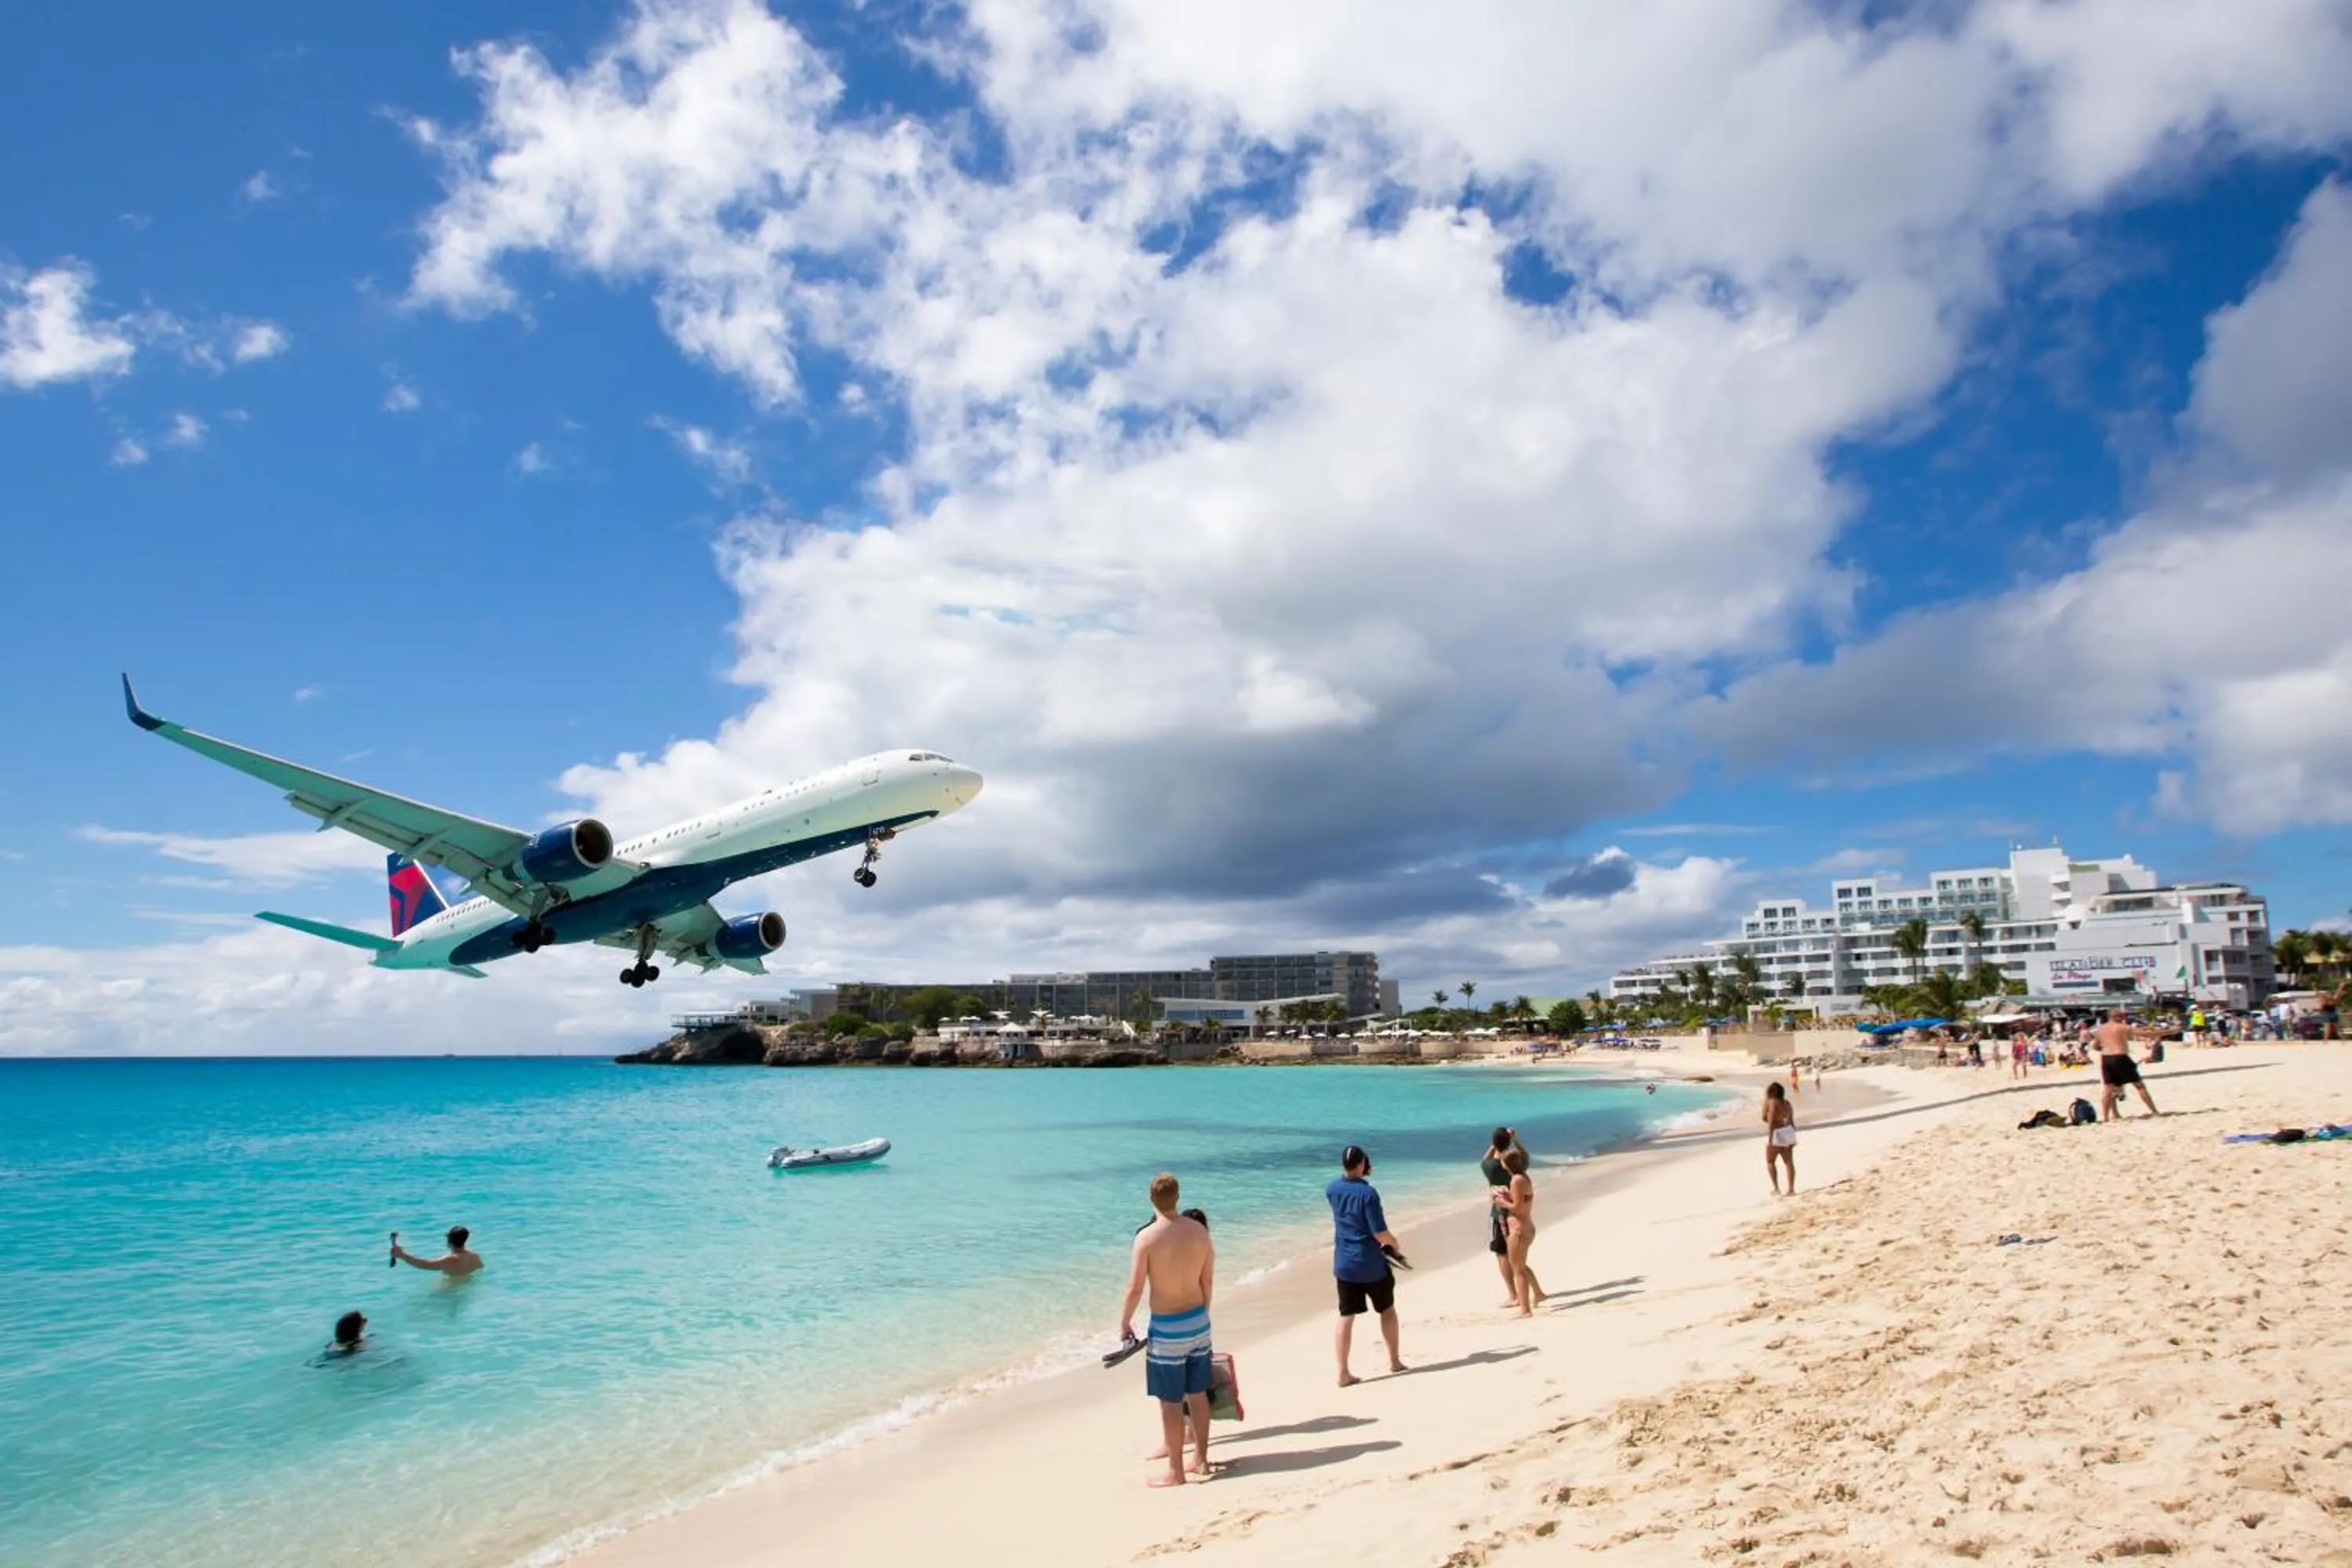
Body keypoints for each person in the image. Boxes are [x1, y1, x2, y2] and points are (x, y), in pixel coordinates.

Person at [1118, 1174, 1215, 1487]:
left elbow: (1134, 1288)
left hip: (1168, 1329)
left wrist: (1125, 1322)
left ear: (1151, 1199)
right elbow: (1207, 1279)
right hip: (1199, 1321)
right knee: (1198, 1393)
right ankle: (1201, 1459)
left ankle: (1176, 1470)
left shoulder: (1146, 1238)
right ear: (1178, 1197)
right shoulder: (1199, 1230)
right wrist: (1204, 1312)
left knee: (1171, 1401)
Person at [1327, 1145, 1405, 1386]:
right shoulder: (1368, 1194)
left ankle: (1342, 1372)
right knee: (1387, 1309)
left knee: (1346, 1316)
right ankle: (1394, 1361)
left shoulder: (1332, 1189)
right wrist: (1395, 1243)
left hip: (1344, 1263)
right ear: (1362, 1164)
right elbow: (1380, 1233)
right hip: (1370, 1263)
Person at [1479, 1128, 1545, 1306]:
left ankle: (1514, 1295)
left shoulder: (1492, 1167)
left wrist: (1495, 1145)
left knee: (1503, 1255)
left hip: (1501, 1214)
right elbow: (1525, 1154)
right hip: (1522, 1217)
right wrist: (1515, 1140)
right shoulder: (1520, 1166)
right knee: (1519, 1260)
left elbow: (1484, 1160)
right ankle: (1537, 1292)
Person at [1495, 1148, 1539, 1316]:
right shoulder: (1523, 1177)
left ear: (1507, 1163)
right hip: (1526, 1227)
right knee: (1521, 1265)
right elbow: (1521, 1201)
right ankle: (1538, 1294)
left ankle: (1525, 1310)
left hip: (1519, 1230)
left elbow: (1517, 1207)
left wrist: (1501, 1201)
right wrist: (1508, 1197)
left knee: (1517, 1269)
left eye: (1502, 1161)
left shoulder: (1516, 1180)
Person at [2093, 1011, 2159, 1121]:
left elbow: (2096, 1046)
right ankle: (2154, 1111)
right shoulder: (2122, 1027)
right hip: (2121, 1057)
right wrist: (2170, 1031)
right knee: (2139, 1085)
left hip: (2106, 1058)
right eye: (2122, 1016)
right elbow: (2145, 1034)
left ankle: (2106, 1117)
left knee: (2109, 1088)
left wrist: (2107, 1048)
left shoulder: (2100, 1029)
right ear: (2116, 1017)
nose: (2124, 1018)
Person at [391, 1225, 483, 1276]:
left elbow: (426, 1265)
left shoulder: (450, 1259)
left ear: (449, 1241)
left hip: (450, 1292)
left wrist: (402, 1255)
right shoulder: (475, 1256)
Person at [1762, 1081, 1797, 1196]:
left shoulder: (1771, 1102)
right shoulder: (1787, 1103)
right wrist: (1792, 1137)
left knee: (1770, 1161)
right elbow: (1791, 1121)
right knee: (1789, 1162)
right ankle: (1791, 1189)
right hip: (1788, 1131)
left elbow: (1770, 1121)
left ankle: (1776, 1188)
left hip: (1777, 1133)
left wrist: (1771, 1138)